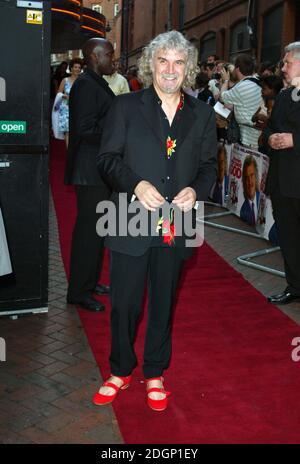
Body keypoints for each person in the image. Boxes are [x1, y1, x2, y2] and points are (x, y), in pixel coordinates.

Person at [94, 30, 217, 411]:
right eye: (163, 60)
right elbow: (107, 159)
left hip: (176, 223)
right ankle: (120, 370)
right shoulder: (126, 107)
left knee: (163, 301)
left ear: (188, 69)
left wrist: (197, 190)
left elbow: (209, 166)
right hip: (130, 217)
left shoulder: (201, 114)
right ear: (151, 65)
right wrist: (136, 184)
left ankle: (155, 372)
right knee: (126, 303)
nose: (170, 69)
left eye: (178, 62)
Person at [64, 38, 115, 312]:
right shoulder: (85, 85)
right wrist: (116, 137)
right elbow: (84, 129)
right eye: (109, 54)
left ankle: (89, 282)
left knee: (98, 230)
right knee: (88, 233)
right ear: (95, 56)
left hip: (97, 169)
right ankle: (78, 291)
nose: (113, 59)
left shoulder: (95, 82)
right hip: (89, 170)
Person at [263, 42, 300, 305]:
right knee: (289, 239)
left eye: (287, 63)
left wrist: (294, 139)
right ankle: (295, 286)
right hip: (281, 182)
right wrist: (271, 139)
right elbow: (269, 129)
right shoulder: (285, 96)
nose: (283, 68)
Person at [220, 54, 262, 149]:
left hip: (248, 138)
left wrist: (226, 80)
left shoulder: (242, 86)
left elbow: (223, 97)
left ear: (237, 69)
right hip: (256, 134)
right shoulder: (256, 81)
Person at [57, 59, 82, 148]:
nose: (77, 69)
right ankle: (69, 153)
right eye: (75, 67)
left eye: (79, 67)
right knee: (68, 132)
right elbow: (59, 94)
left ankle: (76, 153)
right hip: (66, 109)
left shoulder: (82, 81)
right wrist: (66, 96)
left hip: (79, 109)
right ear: (71, 68)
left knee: (77, 131)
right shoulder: (65, 80)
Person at [240, 155, 260, 226]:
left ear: (256, 176)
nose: (250, 181)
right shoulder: (242, 211)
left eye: (252, 175)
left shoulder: (263, 201)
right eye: (246, 177)